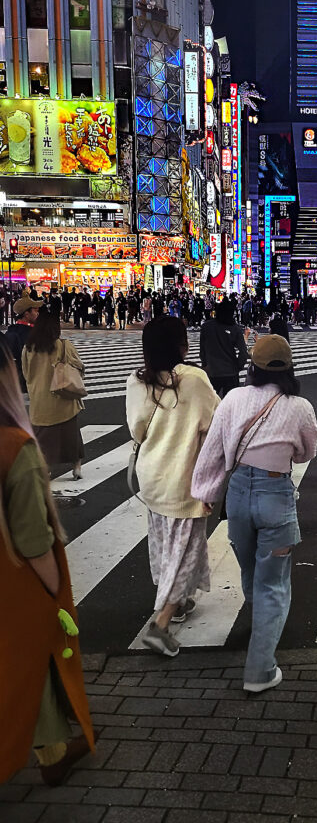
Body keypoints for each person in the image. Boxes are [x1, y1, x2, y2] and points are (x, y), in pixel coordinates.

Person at [191, 335, 317, 692]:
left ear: (253, 366)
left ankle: (260, 622)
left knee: (250, 567)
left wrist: (204, 493)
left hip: (237, 495)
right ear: (290, 367)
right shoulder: (300, 406)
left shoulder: (233, 398)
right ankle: (260, 670)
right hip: (275, 493)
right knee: (274, 583)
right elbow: (306, 452)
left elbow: (213, 449)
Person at [0, 338, 96, 786]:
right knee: (32, 658)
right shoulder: (14, 448)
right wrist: (56, 590)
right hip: (14, 581)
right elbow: (34, 540)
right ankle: (52, 752)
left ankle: (51, 750)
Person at [126, 317, 220, 657]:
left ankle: (179, 602)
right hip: (185, 478)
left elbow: (136, 431)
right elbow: (216, 425)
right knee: (186, 550)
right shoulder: (194, 381)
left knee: (164, 542)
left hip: (151, 476)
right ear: (181, 344)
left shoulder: (136, 382)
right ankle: (161, 622)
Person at [22, 312, 85, 480]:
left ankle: (46, 468)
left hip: (39, 400)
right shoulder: (63, 345)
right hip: (62, 398)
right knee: (70, 435)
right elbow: (79, 367)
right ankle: (76, 466)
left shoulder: (28, 348)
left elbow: (26, 373)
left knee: (43, 438)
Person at [200, 300, 249, 397]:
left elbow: (202, 349)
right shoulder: (235, 329)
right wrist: (239, 366)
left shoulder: (206, 327)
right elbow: (243, 352)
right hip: (230, 371)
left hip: (212, 370)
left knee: (211, 403)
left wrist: (205, 364)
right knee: (231, 405)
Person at [5, 293, 44, 388]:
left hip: (15, 383)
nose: (38, 313)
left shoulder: (11, 331)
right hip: (32, 383)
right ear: (27, 314)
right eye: (35, 311)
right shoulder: (31, 334)